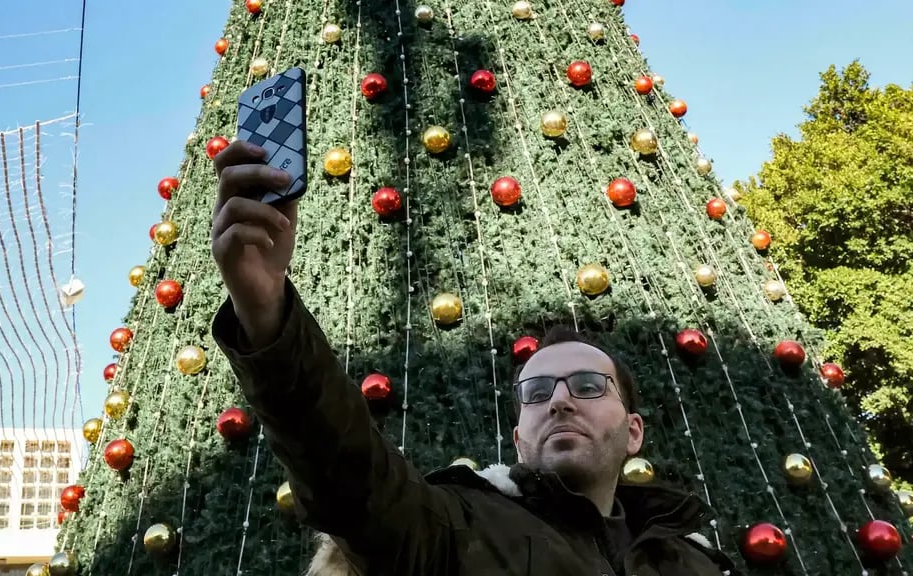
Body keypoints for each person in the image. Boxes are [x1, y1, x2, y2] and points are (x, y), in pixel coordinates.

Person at [210, 140, 737, 576]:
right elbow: (349, 477)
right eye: (536, 393)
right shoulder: (455, 530)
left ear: (635, 430)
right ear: (518, 439)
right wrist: (266, 311)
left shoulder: (695, 561)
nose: (558, 401)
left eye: (587, 385)